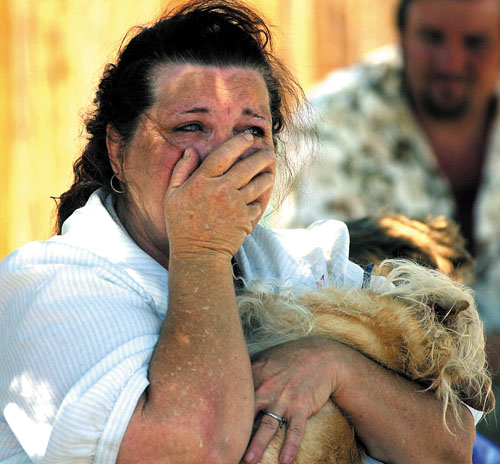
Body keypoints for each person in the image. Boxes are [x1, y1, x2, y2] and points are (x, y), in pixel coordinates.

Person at [0, 1, 480, 463]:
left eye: (251, 131)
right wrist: (202, 250)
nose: (222, 158)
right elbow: (193, 454)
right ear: (118, 150)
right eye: (190, 127)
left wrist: (335, 366)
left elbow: (452, 450)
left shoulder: (305, 267)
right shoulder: (49, 290)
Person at [288, 0, 500, 442]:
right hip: (393, 387)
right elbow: (326, 300)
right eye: (432, 38)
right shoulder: (333, 120)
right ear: (401, 33)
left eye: (475, 42)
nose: (451, 62)